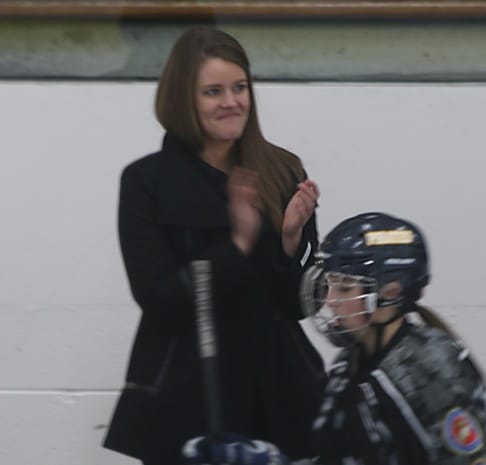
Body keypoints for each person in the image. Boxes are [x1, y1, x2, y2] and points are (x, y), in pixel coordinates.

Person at [103, 27, 326, 465]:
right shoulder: (146, 181)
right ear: (183, 100)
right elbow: (158, 299)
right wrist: (238, 244)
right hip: (190, 390)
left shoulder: (283, 170)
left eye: (239, 87)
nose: (231, 101)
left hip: (278, 389)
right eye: (213, 91)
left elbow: (301, 305)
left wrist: (290, 239)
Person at [182, 212, 486, 465]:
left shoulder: (430, 370)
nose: (330, 300)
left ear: (390, 292)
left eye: (345, 288)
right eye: (330, 285)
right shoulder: (348, 369)